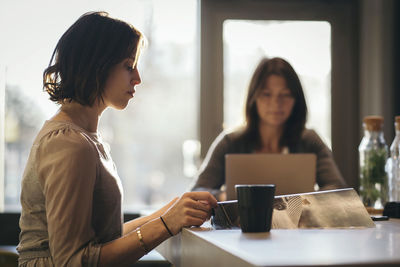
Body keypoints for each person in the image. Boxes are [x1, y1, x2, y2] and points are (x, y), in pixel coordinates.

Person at [17, 12, 217, 267]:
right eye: (128, 66)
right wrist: (167, 223)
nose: (138, 78)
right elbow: (72, 261)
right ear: (97, 64)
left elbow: (104, 240)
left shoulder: (84, 138)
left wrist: (172, 210)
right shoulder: (70, 144)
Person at [192, 57, 347, 200]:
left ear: (296, 100)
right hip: (241, 229)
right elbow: (196, 192)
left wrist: (305, 201)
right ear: (253, 98)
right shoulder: (230, 142)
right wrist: (224, 196)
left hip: (299, 228)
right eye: (266, 94)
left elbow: (338, 189)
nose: (276, 103)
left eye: (285, 95)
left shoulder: (309, 141)